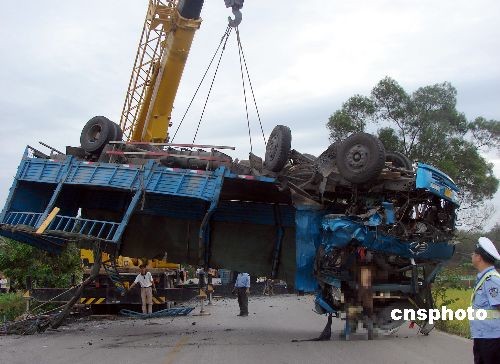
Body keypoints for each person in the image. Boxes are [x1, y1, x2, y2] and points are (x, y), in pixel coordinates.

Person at [470, 236, 500, 364]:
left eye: (473, 253)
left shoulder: (492, 280)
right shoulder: (483, 278)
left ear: (479, 257)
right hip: (482, 336)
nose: (471, 256)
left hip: (492, 338)